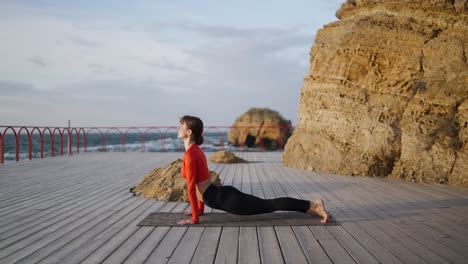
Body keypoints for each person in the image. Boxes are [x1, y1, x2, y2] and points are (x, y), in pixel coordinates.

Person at [176, 115, 331, 225]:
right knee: (268, 205)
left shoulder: (191, 154)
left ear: (189, 132)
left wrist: (195, 219)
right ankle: (308, 208)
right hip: (219, 195)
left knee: (269, 205)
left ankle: (314, 205)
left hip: (226, 199)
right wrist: (199, 211)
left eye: (181, 126)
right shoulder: (195, 151)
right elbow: (200, 184)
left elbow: (191, 188)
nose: (179, 127)